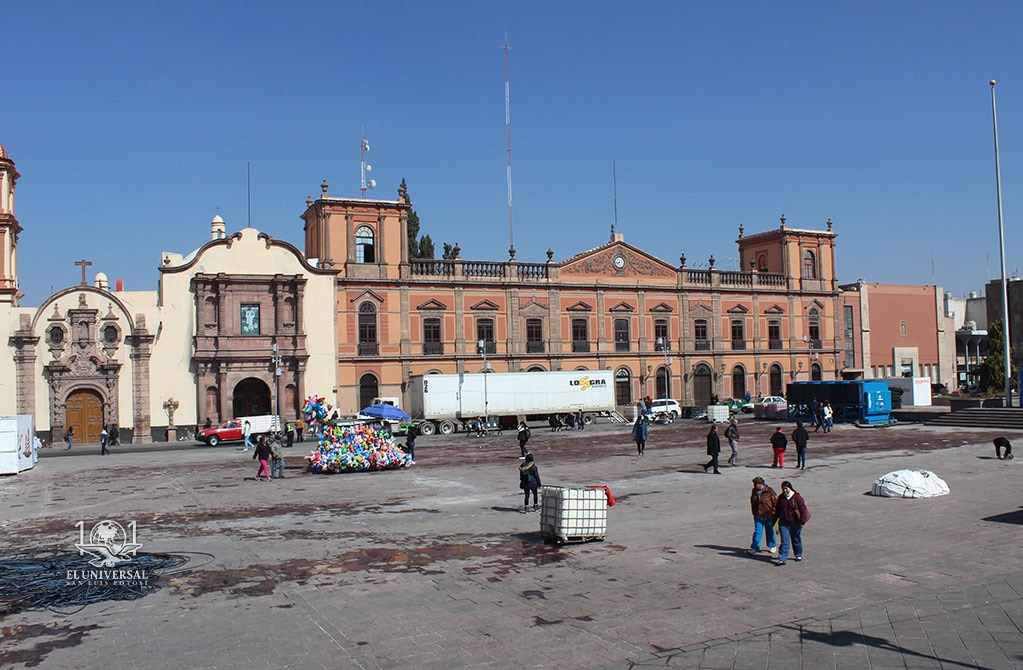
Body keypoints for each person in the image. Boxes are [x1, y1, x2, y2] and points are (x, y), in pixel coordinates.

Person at [773, 480, 810, 565]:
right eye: (783, 489)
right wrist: (774, 522)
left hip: (795, 523)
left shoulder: (797, 498)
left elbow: (803, 510)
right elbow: (777, 511)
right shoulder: (781, 498)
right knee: (784, 541)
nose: (785, 490)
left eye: (786, 488)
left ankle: (798, 554)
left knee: (796, 539)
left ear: (790, 488)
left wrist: (802, 521)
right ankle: (782, 558)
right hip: (783, 523)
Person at [747, 476, 778, 556]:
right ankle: (755, 547)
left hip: (768, 515)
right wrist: (754, 512)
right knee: (758, 531)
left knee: (770, 531)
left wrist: (774, 512)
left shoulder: (769, 490)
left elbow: (775, 502)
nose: (755, 487)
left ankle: (772, 545)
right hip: (758, 515)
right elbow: (752, 502)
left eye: (756, 485)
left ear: (761, 484)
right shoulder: (754, 491)